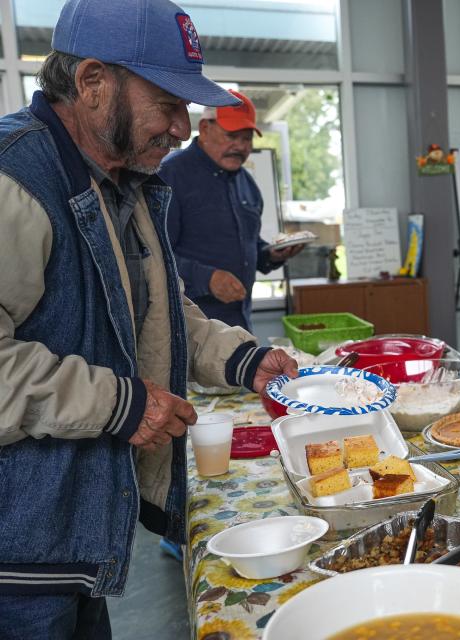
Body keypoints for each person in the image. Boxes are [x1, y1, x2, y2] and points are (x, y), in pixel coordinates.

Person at [0, 0, 299, 637]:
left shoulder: (118, 181)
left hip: (70, 543)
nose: (183, 128)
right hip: (16, 558)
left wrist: (242, 358)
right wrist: (120, 403)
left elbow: (156, 313)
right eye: (168, 103)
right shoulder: (13, 181)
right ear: (91, 83)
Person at [160, 90, 304, 332]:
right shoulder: (169, 176)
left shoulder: (247, 184)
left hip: (240, 325)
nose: (241, 146)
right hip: (189, 332)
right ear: (205, 129)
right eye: (232, 136)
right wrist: (206, 279)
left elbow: (248, 245)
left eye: (247, 138)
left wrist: (272, 254)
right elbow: (151, 254)